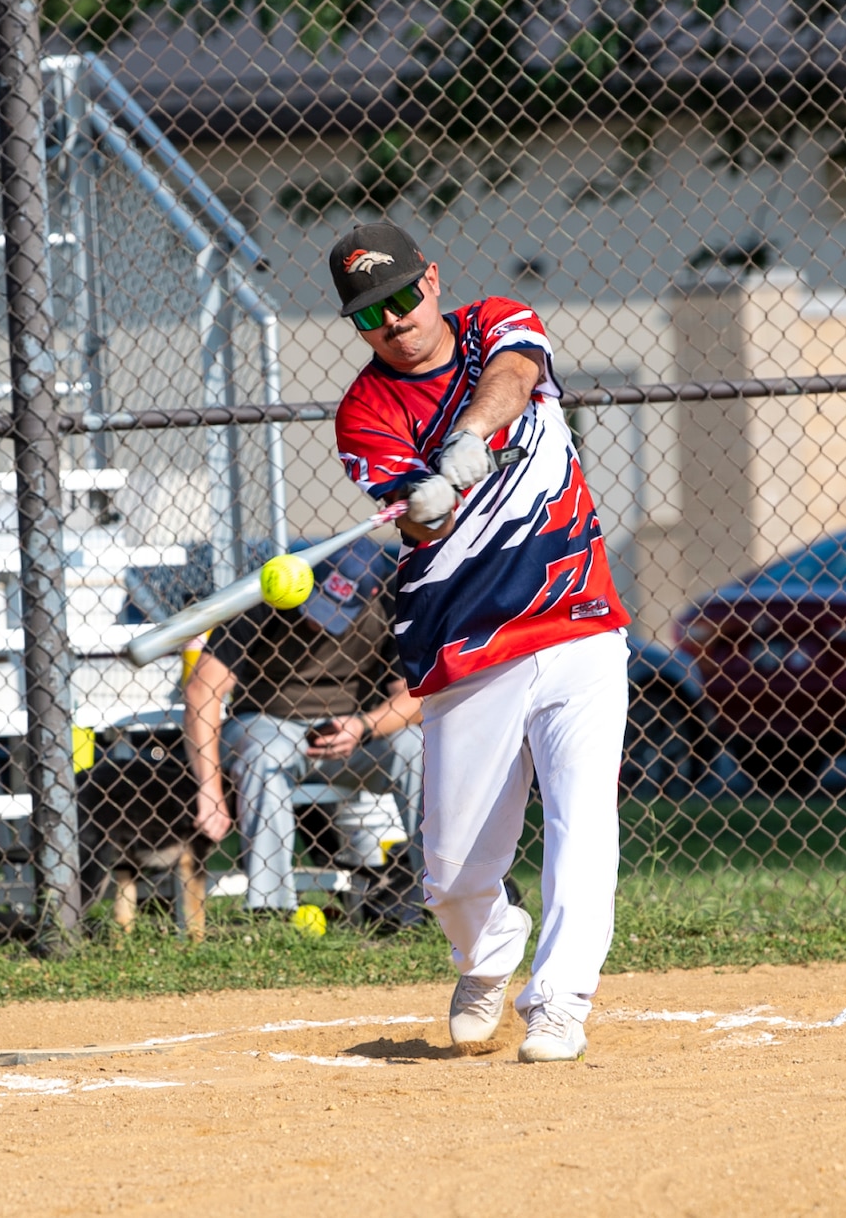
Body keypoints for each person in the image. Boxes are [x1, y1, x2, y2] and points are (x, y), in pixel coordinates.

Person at [329, 220, 630, 1064]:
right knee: (453, 874)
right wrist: (430, 503)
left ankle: (560, 1000)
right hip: (467, 650)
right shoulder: (366, 412)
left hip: (577, 621)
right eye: (368, 313)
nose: (393, 320)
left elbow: (513, 372)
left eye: (401, 296)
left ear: (430, 281)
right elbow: (425, 510)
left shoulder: (495, 322)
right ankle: (488, 950)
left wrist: (471, 437)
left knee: (584, 819)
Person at [182, 539, 424, 931]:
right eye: (316, 606)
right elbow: (201, 689)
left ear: (371, 595)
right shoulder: (268, 595)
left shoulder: (390, 603)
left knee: (415, 746)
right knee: (264, 751)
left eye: (336, 614)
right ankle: (270, 913)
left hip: (355, 730)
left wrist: (365, 726)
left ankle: (442, 893)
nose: (318, 623)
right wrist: (208, 787)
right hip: (268, 721)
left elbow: (413, 697)